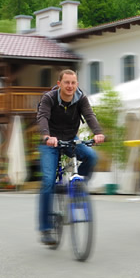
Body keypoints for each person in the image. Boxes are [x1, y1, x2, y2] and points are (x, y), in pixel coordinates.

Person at [35, 69, 105, 245]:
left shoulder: (81, 98)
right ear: (59, 84)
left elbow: (89, 115)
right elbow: (42, 117)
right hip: (50, 141)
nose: (70, 86)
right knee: (48, 181)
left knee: (91, 157)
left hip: (70, 139)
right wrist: (46, 136)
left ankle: (78, 189)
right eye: (66, 82)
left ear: (77, 84)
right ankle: (45, 228)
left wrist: (97, 133)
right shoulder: (49, 98)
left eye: (73, 83)